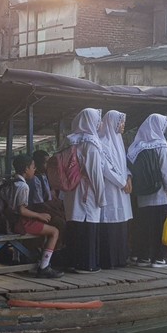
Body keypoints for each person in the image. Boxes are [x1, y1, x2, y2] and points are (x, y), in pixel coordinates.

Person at [127, 113, 167, 268]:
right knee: (159, 227)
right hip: (159, 194)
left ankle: (143, 257)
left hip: (142, 195)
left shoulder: (135, 146)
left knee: (143, 226)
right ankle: (159, 258)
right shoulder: (160, 144)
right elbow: (165, 171)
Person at [61, 108, 106, 273]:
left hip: (70, 190)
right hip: (87, 191)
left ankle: (72, 262)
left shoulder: (69, 140)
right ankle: (87, 264)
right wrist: (101, 197)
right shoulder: (91, 143)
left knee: (74, 224)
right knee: (88, 226)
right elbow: (95, 173)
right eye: (97, 120)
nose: (99, 123)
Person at [5, 154, 64, 279]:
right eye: (32, 167)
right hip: (20, 223)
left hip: (9, 221)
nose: (34, 169)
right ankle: (44, 266)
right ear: (26, 169)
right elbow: (21, 210)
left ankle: (38, 258)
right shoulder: (23, 186)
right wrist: (39, 215)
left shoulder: (10, 183)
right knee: (54, 231)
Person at [98, 110, 132, 269]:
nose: (123, 125)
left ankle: (121, 258)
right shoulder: (103, 142)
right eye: (121, 121)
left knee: (121, 223)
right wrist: (122, 182)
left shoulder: (118, 140)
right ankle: (109, 260)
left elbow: (124, 164)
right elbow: (107, 168)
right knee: (111, 221)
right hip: (111, 188)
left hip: (122, 187)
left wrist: (129, 177)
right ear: (113, 122)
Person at [28, 149, 66, 249]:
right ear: (37, 164)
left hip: (45, 207)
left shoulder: (45, 176)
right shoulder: (34, 179)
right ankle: (55, 250)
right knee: (60, 222)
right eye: (45, 163)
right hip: (37, 210)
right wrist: (55, 210)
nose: (48, 166)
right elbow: (39, 204)